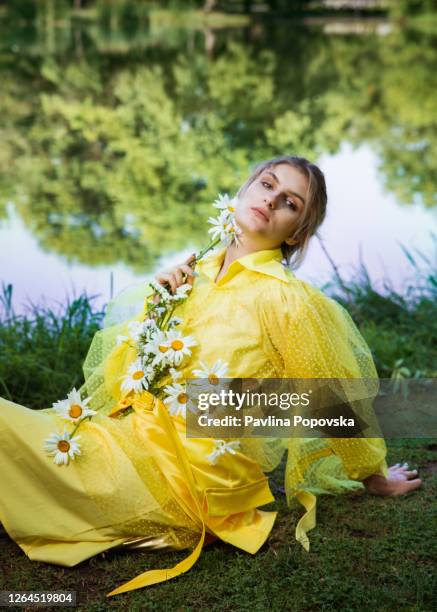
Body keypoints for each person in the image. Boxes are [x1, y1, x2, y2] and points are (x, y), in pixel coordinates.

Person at [0, 156, 421, 598]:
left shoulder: (285, 299)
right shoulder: (196, 271)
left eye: (289, 202)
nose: (271, 199)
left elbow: (331, 396)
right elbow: (127, 377)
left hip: (188, 479)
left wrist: (372, 473)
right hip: (127, 434)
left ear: (296, 232)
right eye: (266, 184)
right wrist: (158, 304)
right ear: (242, 192)